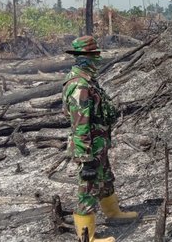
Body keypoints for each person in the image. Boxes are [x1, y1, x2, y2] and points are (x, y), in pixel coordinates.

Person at [62, 36, 137, 242]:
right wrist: (85, 158)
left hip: (98, 144)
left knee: (105, 178)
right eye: (94, 56)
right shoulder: (79, 86)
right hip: (89, 148)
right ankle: (88, 237)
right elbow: (80, 125)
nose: (98, 59)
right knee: (88, 188)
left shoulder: (87, 80)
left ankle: (113, 213)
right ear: (84, 58)